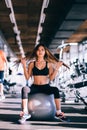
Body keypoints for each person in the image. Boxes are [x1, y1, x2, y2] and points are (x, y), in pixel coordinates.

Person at [18, 43, 70, 123]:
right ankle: (25, 112)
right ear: (36, 52)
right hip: (35, 87)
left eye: (42, 50)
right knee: (24, 89)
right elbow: (27, 77)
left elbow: (51, 78)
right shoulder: (32, 64)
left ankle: (58, 112)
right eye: (38, 50)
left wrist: (57, 68)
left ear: (45, 52)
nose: (40, 51)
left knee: (55, 89)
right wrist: (24, 66)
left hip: (45, 87)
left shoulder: (48, 64)